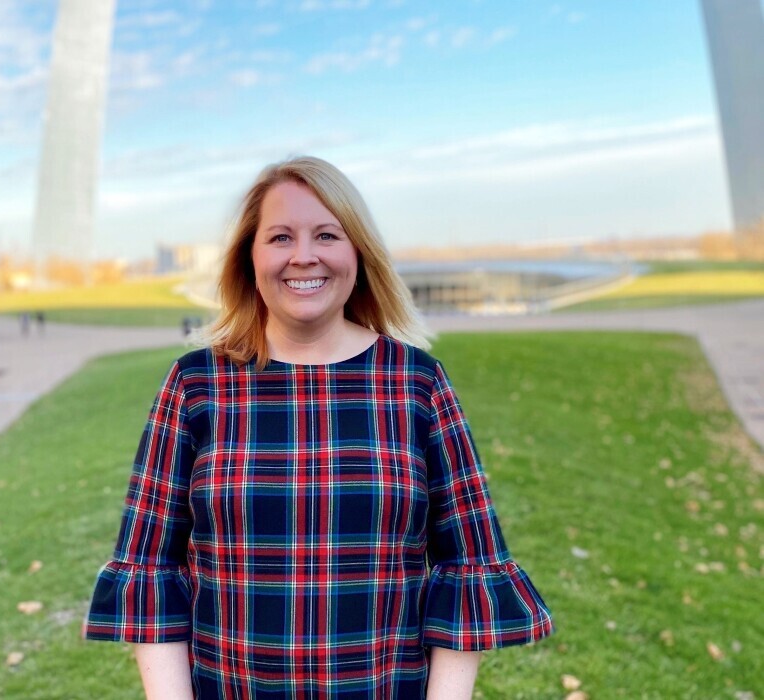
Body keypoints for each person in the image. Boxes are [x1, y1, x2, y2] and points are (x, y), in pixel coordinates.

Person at [84, 156, 554, 698]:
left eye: (326, 235)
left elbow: (469, 564)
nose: (303, 256)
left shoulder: (417, 383)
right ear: (249, 257)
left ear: (357, 251)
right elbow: (150, 569)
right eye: (280, 236)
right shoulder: (196, 385)